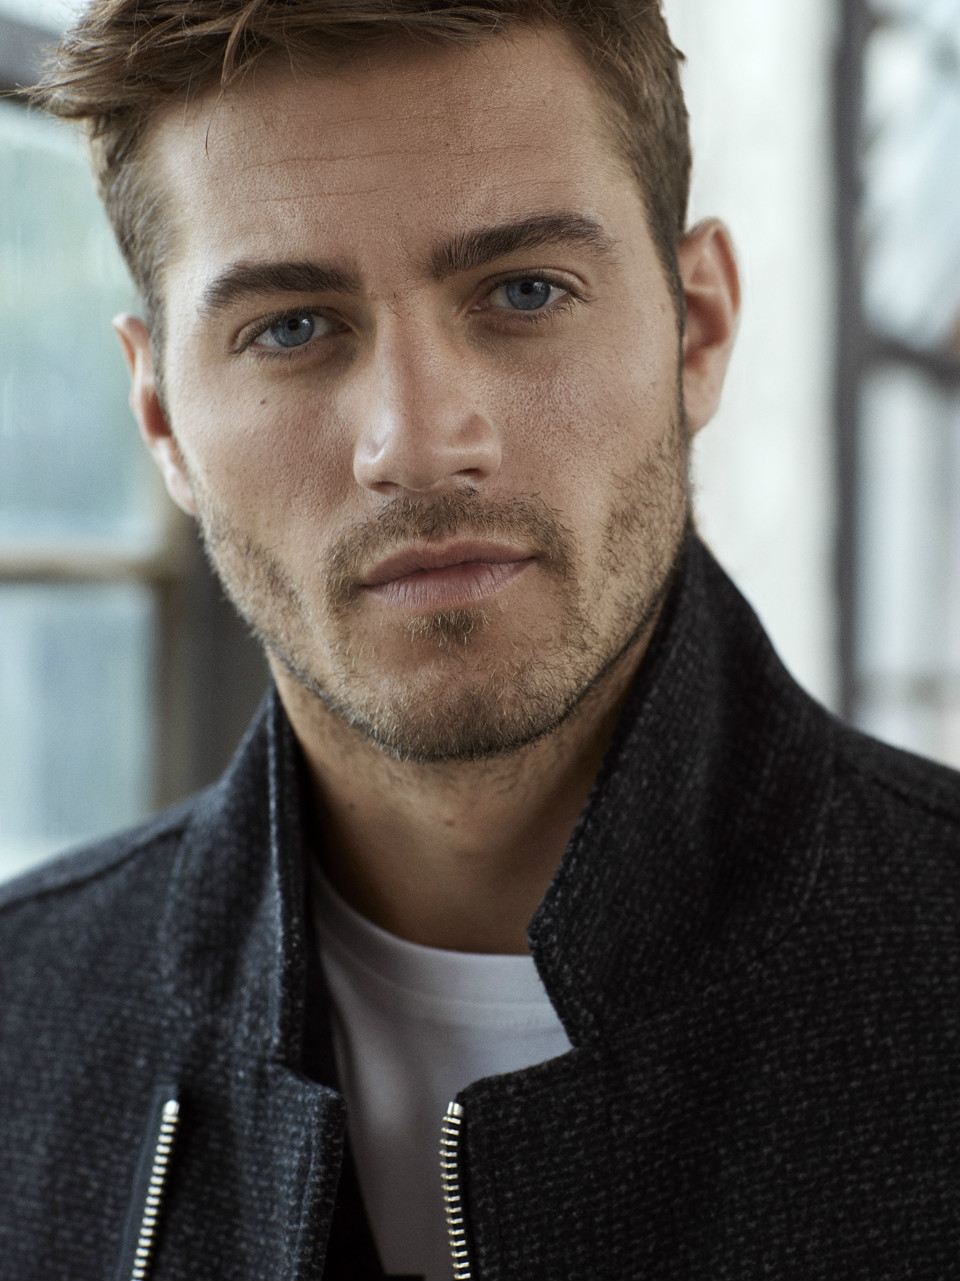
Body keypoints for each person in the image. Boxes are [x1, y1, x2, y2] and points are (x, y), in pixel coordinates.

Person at [1, 2, 959, 1277]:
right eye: (291, 327)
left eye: (523, 291)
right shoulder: (22, 1021)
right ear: (163, 417)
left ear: (699, 329)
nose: (417, 443)